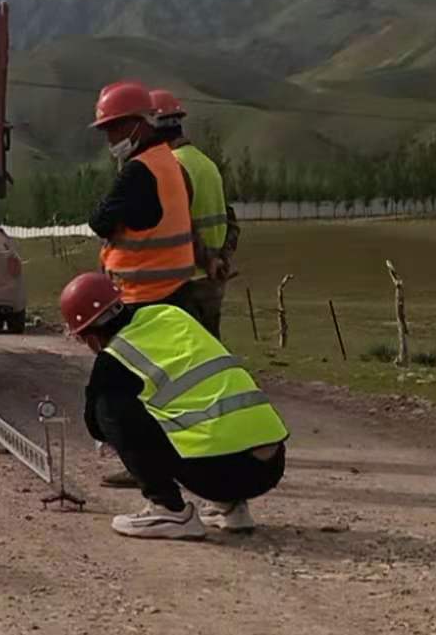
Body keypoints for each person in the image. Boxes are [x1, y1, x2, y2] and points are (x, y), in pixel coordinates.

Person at [59, 272, 289, 539]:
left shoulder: (113, 359)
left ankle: (167, 508)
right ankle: (231, 508)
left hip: (220, 475)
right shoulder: (170, 314)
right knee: (195, 407)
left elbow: (96, 427)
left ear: (90, 338)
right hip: (272, 463)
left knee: (108, 407)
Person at [89, 81, 201, 490]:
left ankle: (152, 480)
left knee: (116, 396)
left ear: (138, 124)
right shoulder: (169, 162)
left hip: (142, 299)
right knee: (164, 388)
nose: (110, 139)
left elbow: (101, 220)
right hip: (176, 292)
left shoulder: (139, 171)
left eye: (114, 129)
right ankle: (172, 462)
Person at [152, 89, 241, 339]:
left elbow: (179, 225)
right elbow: (230, 221)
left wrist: (208, 261)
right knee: (210, 348)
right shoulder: (207, 165)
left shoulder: (171, 168)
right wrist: (222, 259)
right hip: (212, 282)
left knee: (186, 351)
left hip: (186, 283)